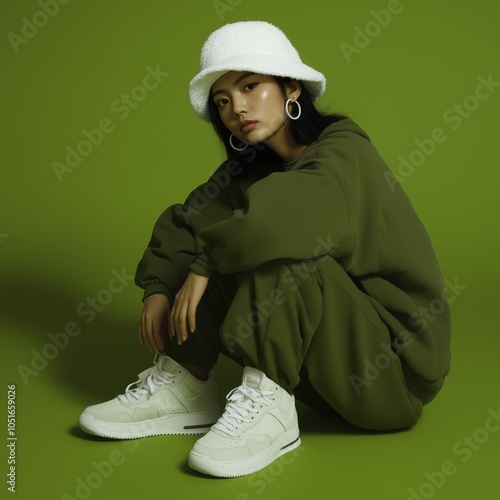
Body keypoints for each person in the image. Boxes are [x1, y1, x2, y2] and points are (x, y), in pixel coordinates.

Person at [78, 21, 451, 478]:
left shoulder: (346, 153)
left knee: (277, 248)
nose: (237, 107)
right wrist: (158, 287)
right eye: (223, 101)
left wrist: (206, 262)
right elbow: (186, 221)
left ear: (291, 87)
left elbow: (281, 220)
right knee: (214, 236)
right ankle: (186, 383)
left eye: (250, 86)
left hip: (391, 376)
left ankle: (272, 408)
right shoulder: (255, 171)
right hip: (324, 379)